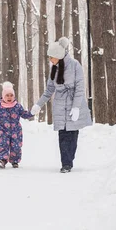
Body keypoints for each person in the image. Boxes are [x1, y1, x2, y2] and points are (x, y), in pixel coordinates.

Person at [31, 37, 92, 173]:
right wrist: (38, 105)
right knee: (63, 136)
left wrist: (76, 107)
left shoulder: (75, 65)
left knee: (72, 136)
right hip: (59, 105)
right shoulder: (54, 69)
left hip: (73, 104)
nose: (50, 60)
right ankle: (66, 163)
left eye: (52, 57)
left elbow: (80, 87)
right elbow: (48, 91)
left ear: (58, 55)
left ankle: (69, 160)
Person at [0, 81, 34, 169]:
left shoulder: (17, 106)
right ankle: (2, 160)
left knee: (16, 146)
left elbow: (24, 114)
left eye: (11, 95)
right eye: (7, 95)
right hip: (3, 130)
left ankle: (15, 160)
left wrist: (32, 113)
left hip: (16, 130)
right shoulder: (0, 108)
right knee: (3, 145)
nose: (9, 97)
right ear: (3, 96)